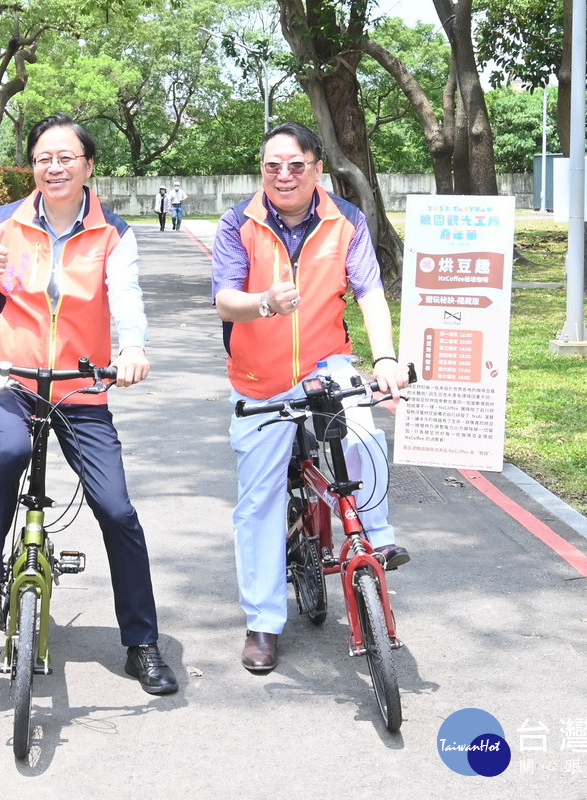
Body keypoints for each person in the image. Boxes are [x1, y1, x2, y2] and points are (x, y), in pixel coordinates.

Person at [0, 112, 178, 695]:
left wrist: (134, 348)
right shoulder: (2, 225)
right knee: (9, 452)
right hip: (9, 379)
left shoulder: (114, 234)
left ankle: (141, 643)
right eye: (44, 157)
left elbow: (126, 299)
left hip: (80, 386)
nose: (55, 166)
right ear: (33, 166)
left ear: (88, 166)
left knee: (117, 510)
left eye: (66, 157)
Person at [211, 121, 412, 673]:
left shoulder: (345, 219)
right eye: (273, 165)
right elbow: (226, 300)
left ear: (317, 169)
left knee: (365, 433)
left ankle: (378, 537)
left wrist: (388, 358)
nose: (284, 175)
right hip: (260, 378)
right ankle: (262, 623)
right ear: (262, 171)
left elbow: (369, 290)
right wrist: (266, 303)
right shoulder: (239, 222)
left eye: (296, 165)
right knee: (258, 503)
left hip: (327, 363)